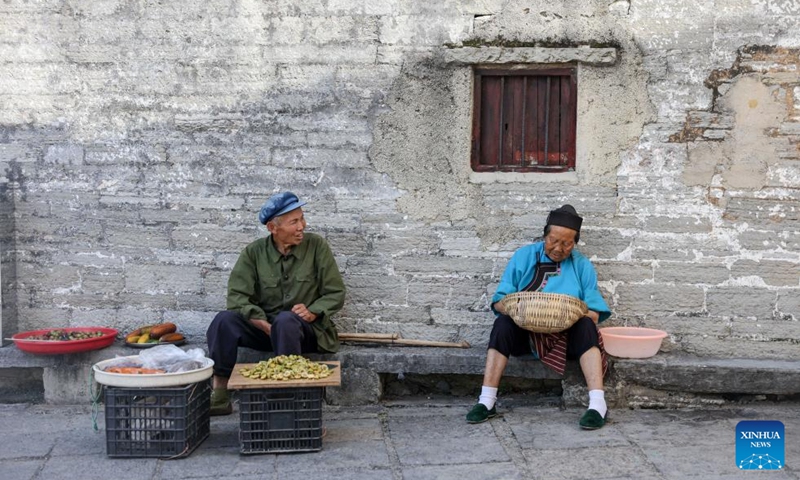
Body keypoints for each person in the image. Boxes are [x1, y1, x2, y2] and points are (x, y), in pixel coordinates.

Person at [466, 205, 612, 429]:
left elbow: (594, 313)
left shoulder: (581, 265)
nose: (558, 248)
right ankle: (486, 401)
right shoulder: (524, 256)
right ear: (544, 235)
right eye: (553, 240)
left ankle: (597, 405)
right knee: (502, 324)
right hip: (525, 336)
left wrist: (571, 311)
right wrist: (519, 308)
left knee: (586, 326)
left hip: (565, 340)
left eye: (567, 243)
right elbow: (498, 301)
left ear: (575, 243)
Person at [206, 191, 346, 415]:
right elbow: (237, 297)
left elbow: (335, 292)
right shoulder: (253, 253)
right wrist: (261, 324)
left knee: (286, 321)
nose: (302, 226)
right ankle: (221, 395)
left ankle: (287, 399)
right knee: (223, 321)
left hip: (303, 331)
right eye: (294, 222)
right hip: (267, 330)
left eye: (302, 218)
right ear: (273, 228)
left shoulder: (317, 246)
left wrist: (313, 311)